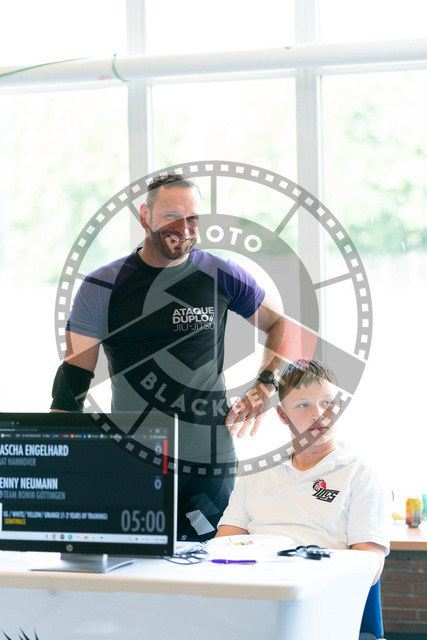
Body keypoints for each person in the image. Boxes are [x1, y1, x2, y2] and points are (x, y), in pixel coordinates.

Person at [51, 173, 286, 540]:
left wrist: (266, 383)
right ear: (145, 215)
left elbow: (281, 325)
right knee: (133, 566)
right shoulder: (102, 285)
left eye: (193, 218)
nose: (184, 229)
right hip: (134, 460)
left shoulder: (220, 273)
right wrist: (56, 454)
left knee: (213, 566)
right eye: (171, 216)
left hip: (210, 464)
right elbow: (74, 376)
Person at [216, 358, 390, 585]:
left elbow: (369, 567)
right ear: (282, 415)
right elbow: (224, 546)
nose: (318, 414)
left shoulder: (362, 474)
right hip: (255, 588)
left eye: (327, 403)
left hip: (319, 593)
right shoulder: (257, 472)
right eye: (303, 405)